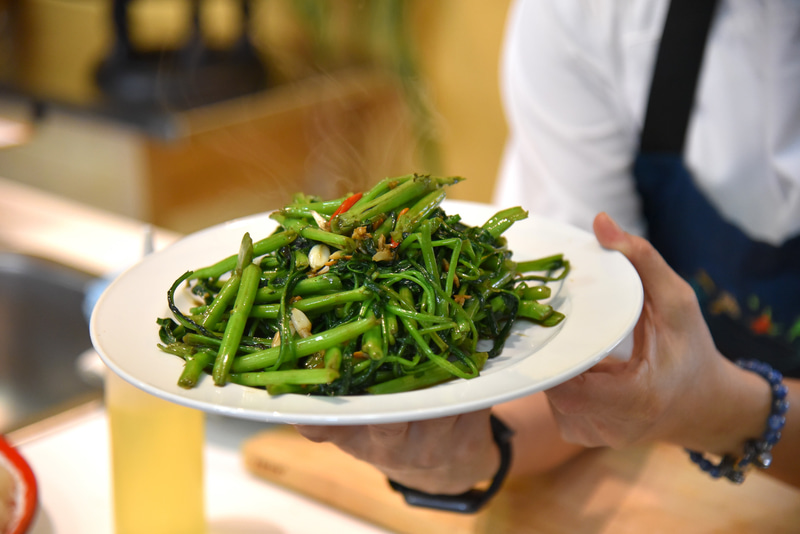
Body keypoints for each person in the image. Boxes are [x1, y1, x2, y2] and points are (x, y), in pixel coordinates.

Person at [296, 0, 800, 506]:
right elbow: (593, 364)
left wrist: (728, 409)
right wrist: (471, 455)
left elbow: (666, 397)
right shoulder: (588, 14)